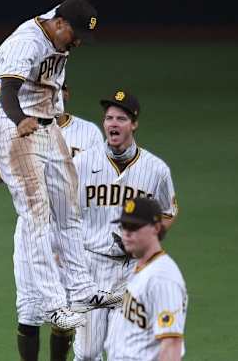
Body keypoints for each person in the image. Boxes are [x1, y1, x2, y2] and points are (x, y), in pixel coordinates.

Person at [0, 0, 139, 331]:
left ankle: (82, 289)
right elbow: (7, 91)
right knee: (36, 215)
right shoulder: (26, 44)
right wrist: (19, 119)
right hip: (15, 131)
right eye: (75, 34)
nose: (77, 42)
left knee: (68, 208)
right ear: (58, 25)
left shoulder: (61, 16)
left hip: (47, 126)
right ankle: (54, 304)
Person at [0, 84, 104, 360]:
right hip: (33, 229)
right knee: (29, 309)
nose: (53, 96)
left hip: (69, 228)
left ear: (66, 94)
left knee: (65, 308)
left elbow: (98, 180)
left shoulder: (88, 132)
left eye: (59, 91)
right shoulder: (20, 126)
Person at [72, 90, 178, 360]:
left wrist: (148, 241)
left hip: (133, 271)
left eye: (121, 118)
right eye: (109, 118)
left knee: (126, 350)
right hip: (90, 265)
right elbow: (63, 213)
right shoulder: (82, 163)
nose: (113, 124)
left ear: (134, 124)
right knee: (88, 353)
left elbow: (168, 211)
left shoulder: (156, 169)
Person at [111, 198, 188, 361]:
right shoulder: (139, 267)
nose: (126, 233)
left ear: (156, 228)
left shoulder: (163, 278)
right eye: (124, 226)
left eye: (134, 227)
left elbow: (171, 345)